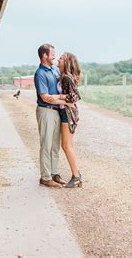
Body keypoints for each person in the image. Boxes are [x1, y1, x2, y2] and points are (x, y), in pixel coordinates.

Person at [46, 53, 82, 188]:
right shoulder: (63, 76)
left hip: (68, 114)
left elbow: (74, 99)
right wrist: (58, 99)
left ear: (66, 62)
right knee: (68, 146)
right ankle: (77, 174)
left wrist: (56, 96)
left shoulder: (66, 78)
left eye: (61, 58)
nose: (58, 59)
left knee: (67, 146)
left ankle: (76, 176)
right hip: (65, 112)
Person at [34, 44, 66, 188]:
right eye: (52, 54)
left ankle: (55, 173)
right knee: (46, 144)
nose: (54, 56)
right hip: (46, 110)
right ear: (44, 56)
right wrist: (65, 99)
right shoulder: (40, 73)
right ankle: (45, 177)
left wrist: (62, 100)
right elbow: (45, 97)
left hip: (56, 111)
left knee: (54, 145)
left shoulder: (54, 70)